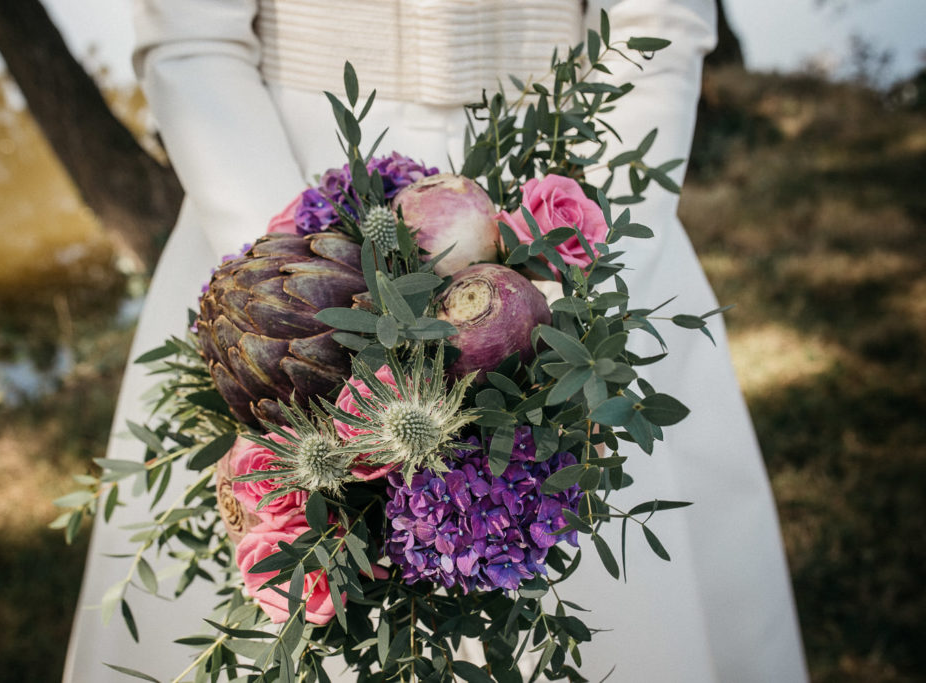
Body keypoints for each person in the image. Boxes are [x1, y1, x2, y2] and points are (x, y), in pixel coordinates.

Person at [63, 1, 809, 681]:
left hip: (560, 161)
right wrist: (297, 298)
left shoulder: (573, 230)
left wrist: (573, 273)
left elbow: (662, 21)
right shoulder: (295, 262)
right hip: (293, 190)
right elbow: (192, 41)